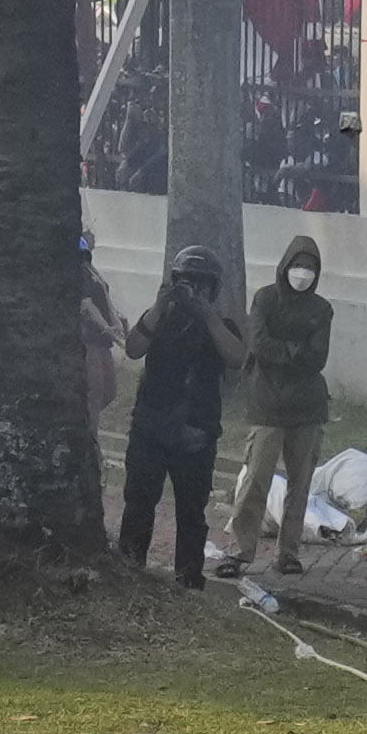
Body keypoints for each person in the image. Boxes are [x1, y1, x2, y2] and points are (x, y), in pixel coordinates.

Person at [119, 248, 231, 588]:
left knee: (191, 513)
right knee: (139, 503)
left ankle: (188, 579)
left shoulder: (220, 326)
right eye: (186, 283)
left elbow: (238, 357)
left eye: (201, 285)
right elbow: (133, 347)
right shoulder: (160, 318)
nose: (193, 292)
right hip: (152, 427)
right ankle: (129, 570)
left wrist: (207, 316)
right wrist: (159, 306)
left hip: (196, 431)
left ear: (214, 289)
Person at [236, 232, 335, 571]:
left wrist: (285, 353)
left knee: (300, 484)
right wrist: (295, 352)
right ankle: (241, 550)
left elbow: (317, 357)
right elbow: (258, 342)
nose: (303, 272)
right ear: (285, 265)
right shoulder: (265, 299)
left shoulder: (321, 309)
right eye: (298, 265)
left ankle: (288, 553)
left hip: (307, 408)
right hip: (266, 404)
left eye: (310, 267)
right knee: (255, 481)